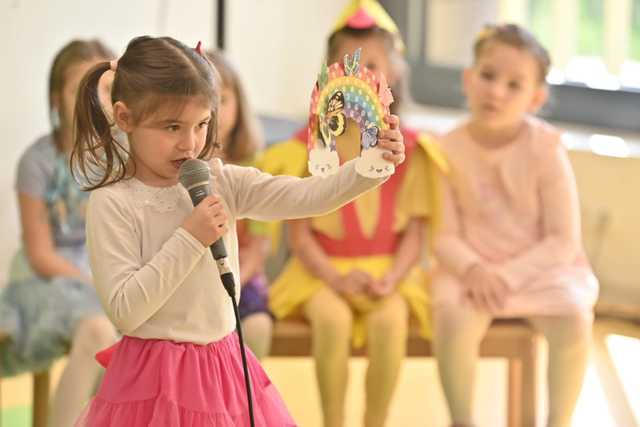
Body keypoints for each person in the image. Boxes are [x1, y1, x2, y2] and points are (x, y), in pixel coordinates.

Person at [70, 35, 406, 426]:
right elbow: (126, 312)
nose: (191, 143)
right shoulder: (113, 203)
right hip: (151, 381)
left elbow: (305, 197)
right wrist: (191, 237)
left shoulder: (220, 181)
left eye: (202, 124)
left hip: (222, 370)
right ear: (125, 118)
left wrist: (370, 167)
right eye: (173, 126)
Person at [264, 1, 446, 426]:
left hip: (388, 271)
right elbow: (300, 235)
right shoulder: (308, 147)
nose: (361, 75)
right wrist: (335, 278)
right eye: (350, 64)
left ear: (396, 70)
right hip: (320, 272)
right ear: (330, 70)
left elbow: (415, 232)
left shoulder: (413, 151)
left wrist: (392, 279)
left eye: (375, 65)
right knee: (331, 319)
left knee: (392, 321)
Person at [431, 24, 598, 427]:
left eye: (514, 84)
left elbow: (562, 239)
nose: (496, 92)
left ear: (535, 98)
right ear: (468, 79)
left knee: (575, 316)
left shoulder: (545, 149)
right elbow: (443, 234)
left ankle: (558, 421)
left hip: (538, 268)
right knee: (451, 316)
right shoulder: (443, 150)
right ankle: (462, 420)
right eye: (488, 76)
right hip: (471, 269)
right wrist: (474, 269)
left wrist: (506, 275)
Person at [0, 39, 118, 427]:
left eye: (100, 86)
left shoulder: (122, 155)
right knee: (103, 328)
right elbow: (40, 253)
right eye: (78, 87)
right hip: (47, 279)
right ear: (56, 101)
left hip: (104, 271)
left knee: (109, 333)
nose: (91, 98)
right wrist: (94, 283)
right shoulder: (37, 161)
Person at [206, 49, 273, 359]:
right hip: (193, 283)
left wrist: (235, 279)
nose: (216, 112)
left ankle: (248, 403)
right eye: (206, 102)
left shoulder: (254, 165)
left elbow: (259, 246)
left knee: (258, 326)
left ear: (239, 105)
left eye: (224, 100)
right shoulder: (177, 167)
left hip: (242, 278)